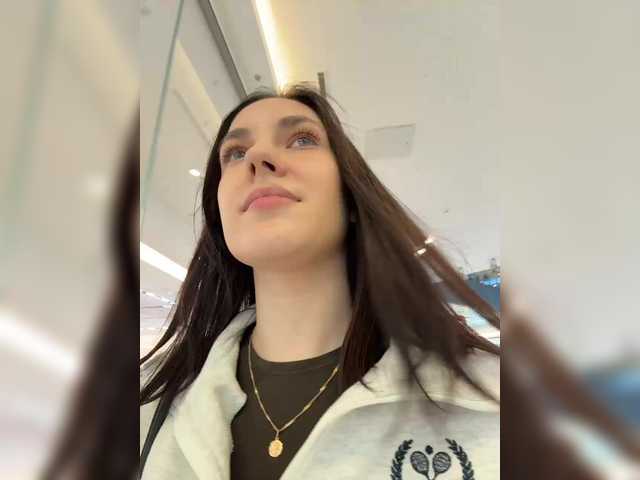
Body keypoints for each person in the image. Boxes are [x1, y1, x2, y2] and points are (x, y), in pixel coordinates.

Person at [140, 83, 500, 479]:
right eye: (236, 153)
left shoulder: (493, 401)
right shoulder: (148, 405)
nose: (257, 157)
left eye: (302, 140)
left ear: (351, 197)